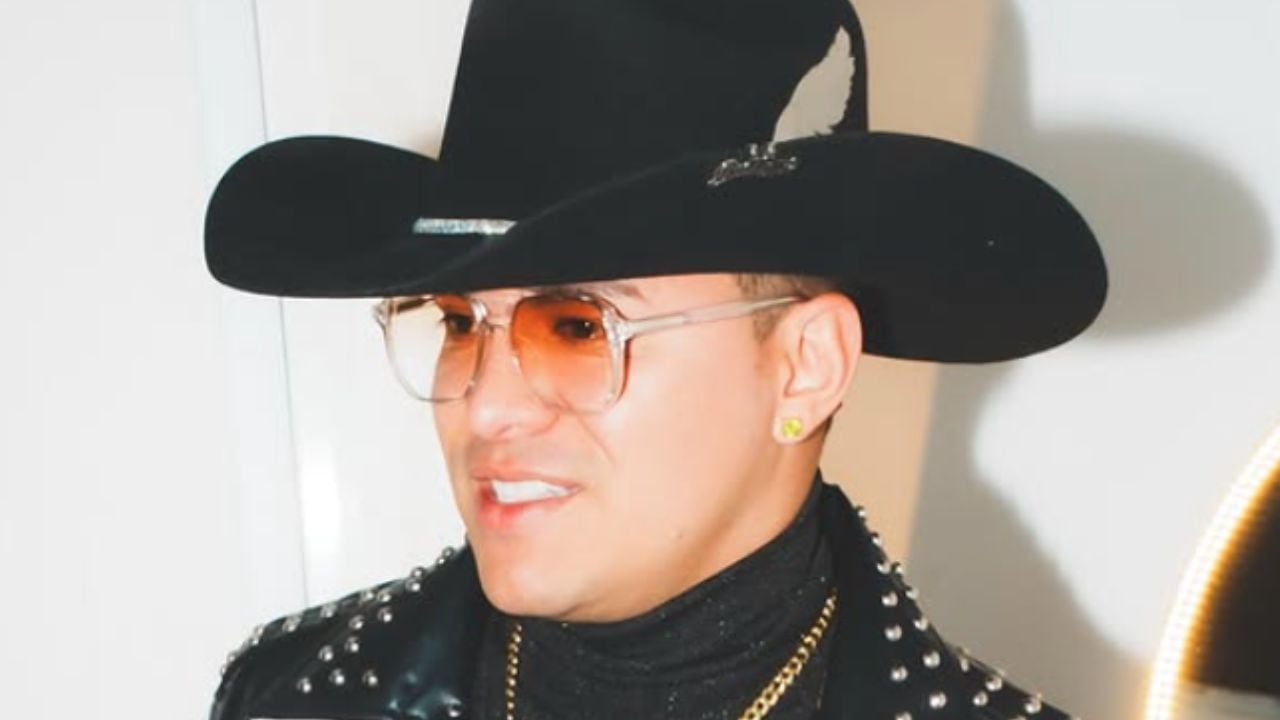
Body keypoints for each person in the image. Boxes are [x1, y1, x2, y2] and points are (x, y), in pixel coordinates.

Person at [204, 0, 1106, 718]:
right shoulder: (292, 700)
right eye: (459, 325)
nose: (484, 407)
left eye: (575, 327)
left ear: (807, 365)